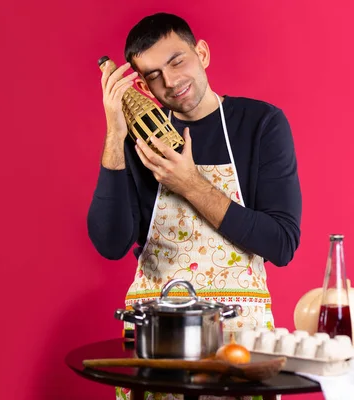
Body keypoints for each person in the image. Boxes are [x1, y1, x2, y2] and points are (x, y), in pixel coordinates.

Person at [87, 12, 302, 400]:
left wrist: (189, 184)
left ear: (201, 53)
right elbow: (110, 243)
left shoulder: (261, 124)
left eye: (176, 61)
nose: (170, 82)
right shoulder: (142, 142)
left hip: (240, 337)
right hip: (156, 340)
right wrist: (116, 135)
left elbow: (281, 243)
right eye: (153, 75)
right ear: (141, 83)